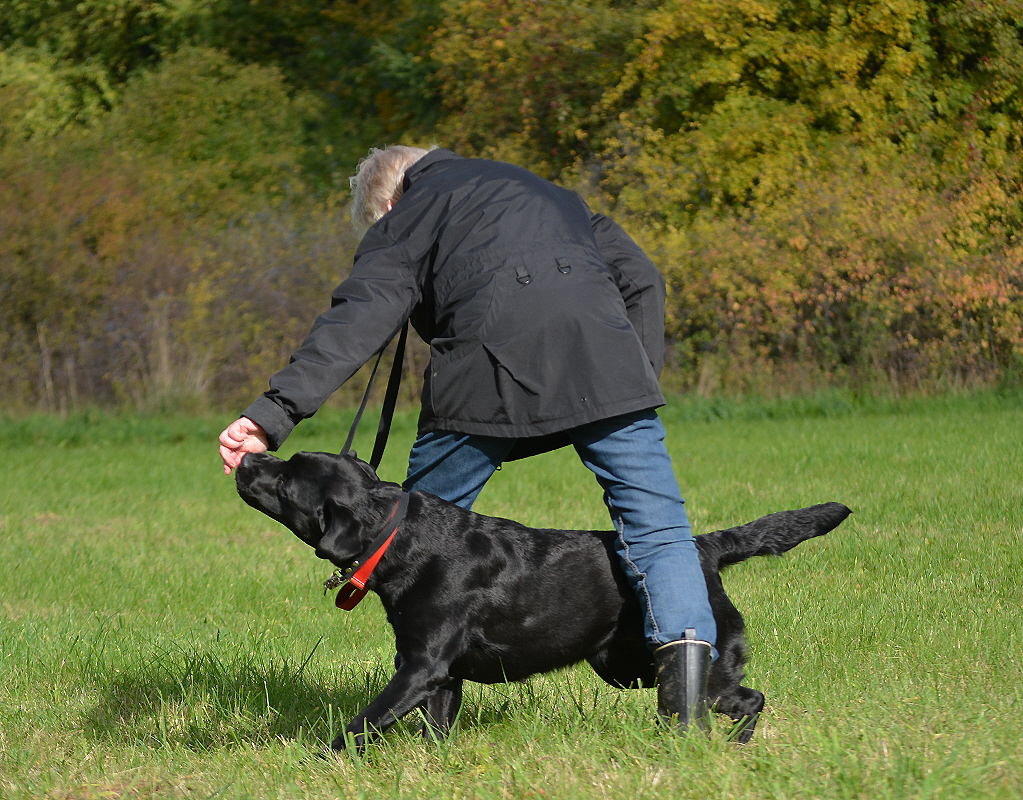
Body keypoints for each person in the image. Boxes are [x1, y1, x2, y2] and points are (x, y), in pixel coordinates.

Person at [219, 145, 717, 730]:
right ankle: (686, 715)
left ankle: (430, 705)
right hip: (606, 365)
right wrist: (633, 371)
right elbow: (641, 278)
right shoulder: (549, 192)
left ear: (388, 201)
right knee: (657, 528)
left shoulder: (410, 211)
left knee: (413, 537)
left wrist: (272, 414)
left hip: (482, 379)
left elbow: (358, 318)